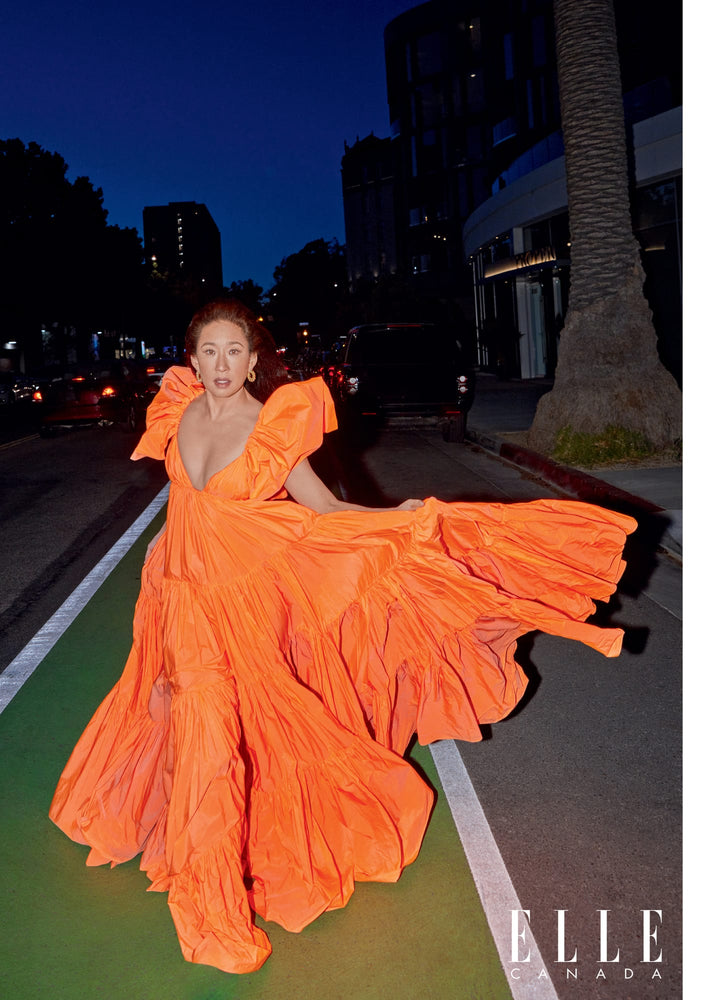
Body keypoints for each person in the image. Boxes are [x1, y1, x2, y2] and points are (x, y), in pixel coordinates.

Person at [49, 299, 636, 974]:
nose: (220, 365)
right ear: (191, 358)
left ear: (253, 359)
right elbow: (185, 510)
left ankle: (212, 913)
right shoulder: (177, 410)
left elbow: (324, 508)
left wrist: (398, 521)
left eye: (234, 351)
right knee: (197, 728)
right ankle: (210, 859)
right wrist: (157, 587)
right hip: (180, 598)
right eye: (209, 351)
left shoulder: (269, 428)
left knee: (225, 734)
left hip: (248, 605)